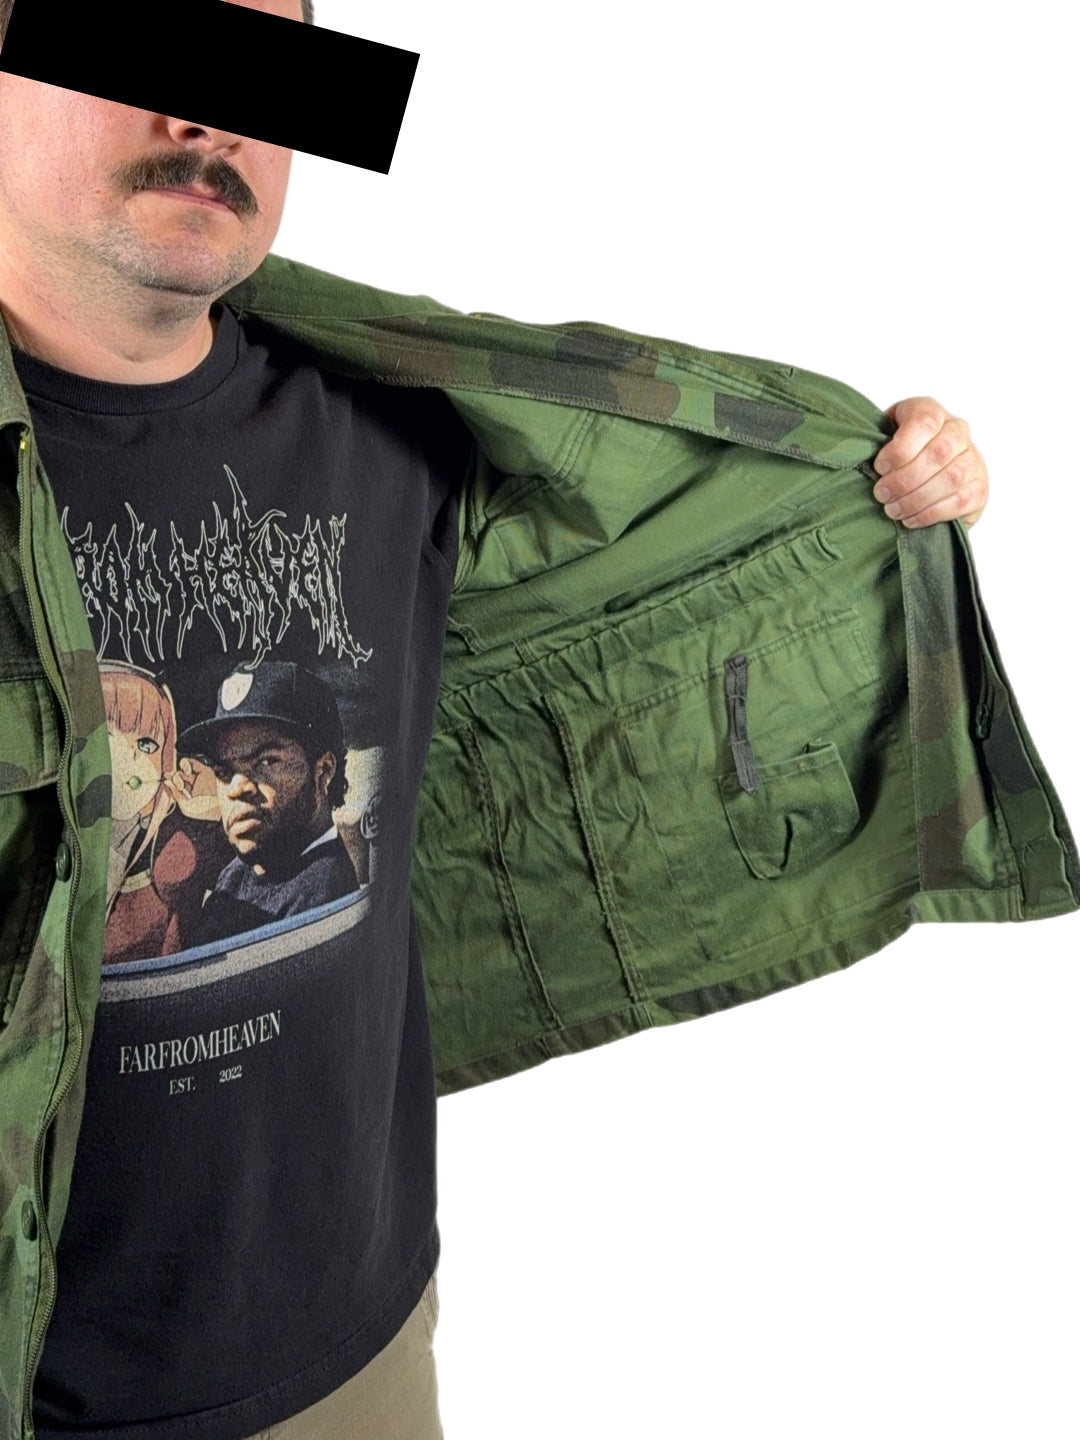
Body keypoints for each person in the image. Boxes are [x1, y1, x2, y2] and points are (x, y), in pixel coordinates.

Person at [4, 1, 1049, 1437]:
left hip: (361, 1356)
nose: (207, 116)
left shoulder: (399, 426)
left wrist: (882, 475)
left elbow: (700, 559)